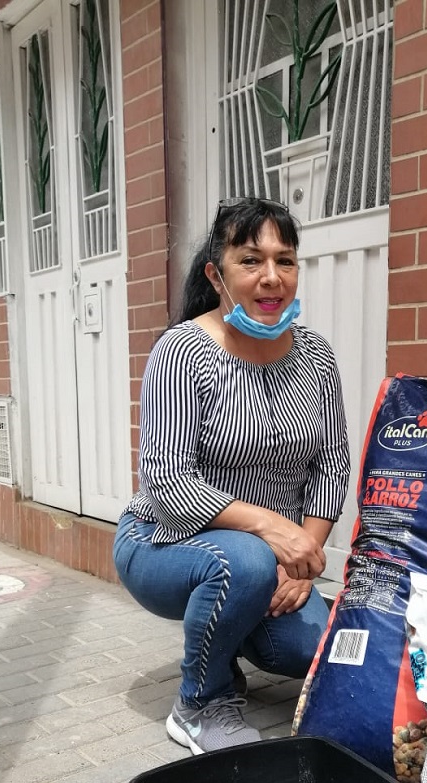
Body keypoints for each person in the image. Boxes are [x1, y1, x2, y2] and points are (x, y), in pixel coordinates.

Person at [113, 197, 350, 754]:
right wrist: (273, 530)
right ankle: (200, 701)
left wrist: (303, 560)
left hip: (269, 559)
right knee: (241, 560)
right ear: (216, 275)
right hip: (164, 543)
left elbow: (331, 467)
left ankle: (217, 642)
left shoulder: (316, 356)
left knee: (310, 650)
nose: (272, 278)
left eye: (284, 261)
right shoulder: (185, 350)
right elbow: (169, 482)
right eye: (251, 261)